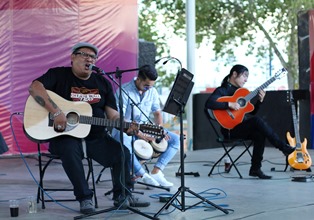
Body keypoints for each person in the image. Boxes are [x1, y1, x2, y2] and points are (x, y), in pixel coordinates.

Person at [28, 42, 150, 214]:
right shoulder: (58, 74)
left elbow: (113, 115)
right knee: (70, 151)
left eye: (92, 57)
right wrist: (55, 112)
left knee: (122, 152)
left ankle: (122, 196)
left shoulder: (103, 82)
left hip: (96, 137)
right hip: (64, 136)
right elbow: (35, 87)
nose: (89, 59)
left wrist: (125, 125)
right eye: (84, 54)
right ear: (72, 57)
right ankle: (85, 198)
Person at [205, 64, 295, 179]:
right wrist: (229, 104)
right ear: (234, 74)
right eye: (244, 76)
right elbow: (209, 103)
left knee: (259, 134)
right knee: (257, 121)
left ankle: (255, 169)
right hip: (229, 130)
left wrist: (259, 101)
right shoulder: (222, 90)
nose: (246, 80)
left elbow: (251, 112)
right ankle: (282, 147)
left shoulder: (242, 93)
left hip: (240, 127)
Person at [111, 65, 179, 187]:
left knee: (175, 140)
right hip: (126, 128)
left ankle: (156, 172)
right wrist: (142, 136)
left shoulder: (152, 91)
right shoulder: (124, 90)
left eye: (151, 86)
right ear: (138, 79)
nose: (149, 88)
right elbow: (120, 118)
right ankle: (142, 174)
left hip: (144, 127)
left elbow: (157, 113)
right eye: (146, 85)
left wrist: (159, 130)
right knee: (124, 142)